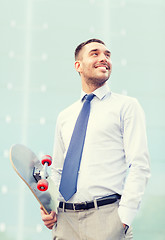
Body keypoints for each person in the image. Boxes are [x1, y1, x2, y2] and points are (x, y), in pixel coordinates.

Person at [41, 39, 150, 240]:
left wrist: (122, 220)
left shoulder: (126, 106)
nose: (104, 59)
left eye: (107, 55)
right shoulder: (65, 116)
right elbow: (57, 170)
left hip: (107, 219)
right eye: (95, 53)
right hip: (65, 222)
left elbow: (139, 166)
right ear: (78, 66)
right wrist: (50, 209)